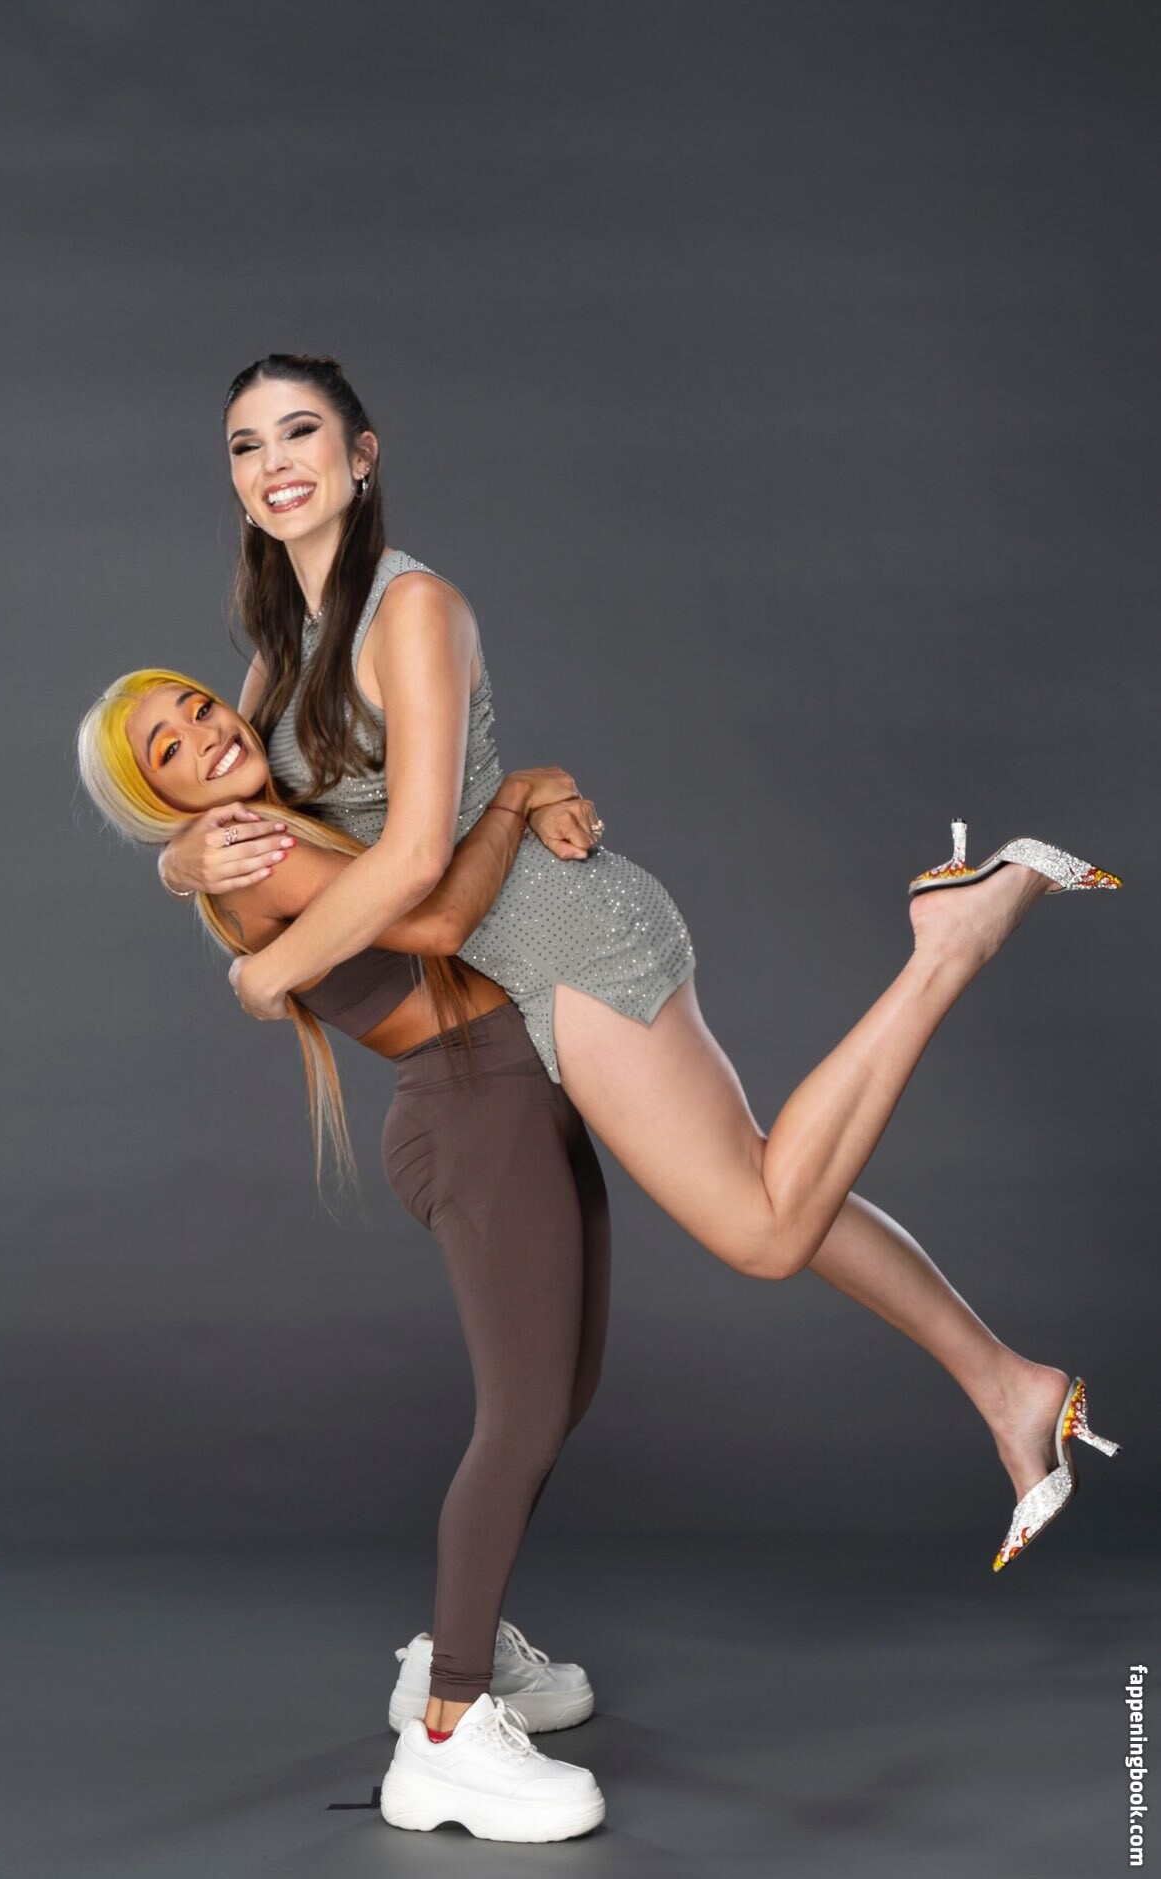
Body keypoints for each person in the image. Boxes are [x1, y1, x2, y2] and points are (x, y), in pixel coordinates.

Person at [159, 358, 1122, 1714]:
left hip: (561, 942)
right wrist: (180, 864)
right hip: (523, 952)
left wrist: (268, 975)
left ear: (363, 454)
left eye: (301, 432)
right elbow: (244, 809)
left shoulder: (411, 608)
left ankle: (950, 938)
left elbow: (419, 870)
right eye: (246, 445)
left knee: (764, 1225)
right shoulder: (279, 654)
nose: (274, 464)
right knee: (773, 1176)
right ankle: (1011, 1386)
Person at [77, 671, 611, 1842]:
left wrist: (175, 858)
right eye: (166, 749)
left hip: (517, 1085)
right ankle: (448, 1732)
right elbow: (437, 923)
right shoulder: (252, 850)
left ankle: (457, 1642)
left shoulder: (264, 797)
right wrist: (519, 792)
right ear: (159, 798)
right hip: (474, 1107)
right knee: (522, 1416)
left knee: (561, 1394)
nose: (206, 733)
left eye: (200, 707)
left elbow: (280, 654)